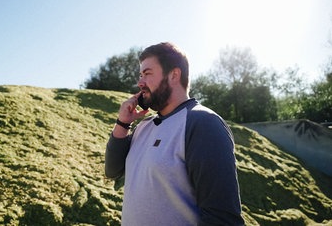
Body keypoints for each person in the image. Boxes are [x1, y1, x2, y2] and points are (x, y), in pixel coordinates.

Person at [105, 42, 245, 225]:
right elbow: (112, 170)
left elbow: (222, 218)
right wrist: (123, 123)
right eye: (140, 75)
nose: (140, 83)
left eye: (147, 74)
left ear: (174, 75)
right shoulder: (144, 126)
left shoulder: (203, 123)